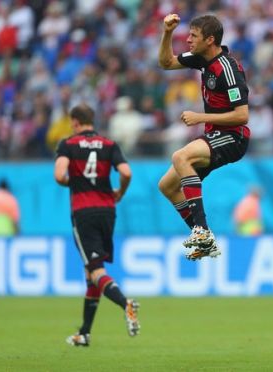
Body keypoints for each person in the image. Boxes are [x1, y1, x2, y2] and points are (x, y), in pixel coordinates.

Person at [158, 14, 250, 260]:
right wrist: (167, 32)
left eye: (193, 36)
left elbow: (242, 115)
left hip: (234, 138)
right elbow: (166, 62)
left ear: (210, 40)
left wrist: (200, 118)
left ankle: (202, 233)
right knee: (166, 186)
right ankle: (205, 240)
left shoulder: (228, 68)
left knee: (181, 156)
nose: (187, 40)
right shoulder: (201, 59)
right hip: (215, 135)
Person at [54, 103, 140, 347]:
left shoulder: (68, 144)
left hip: (84, 211)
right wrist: (119, 193)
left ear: (74, 121)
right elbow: (126, 172)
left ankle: (126, 304)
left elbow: (60, 176)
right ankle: (84, 333)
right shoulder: (109, 144)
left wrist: (77, 182)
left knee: (95, 271)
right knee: (91, 271)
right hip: (107, 211)